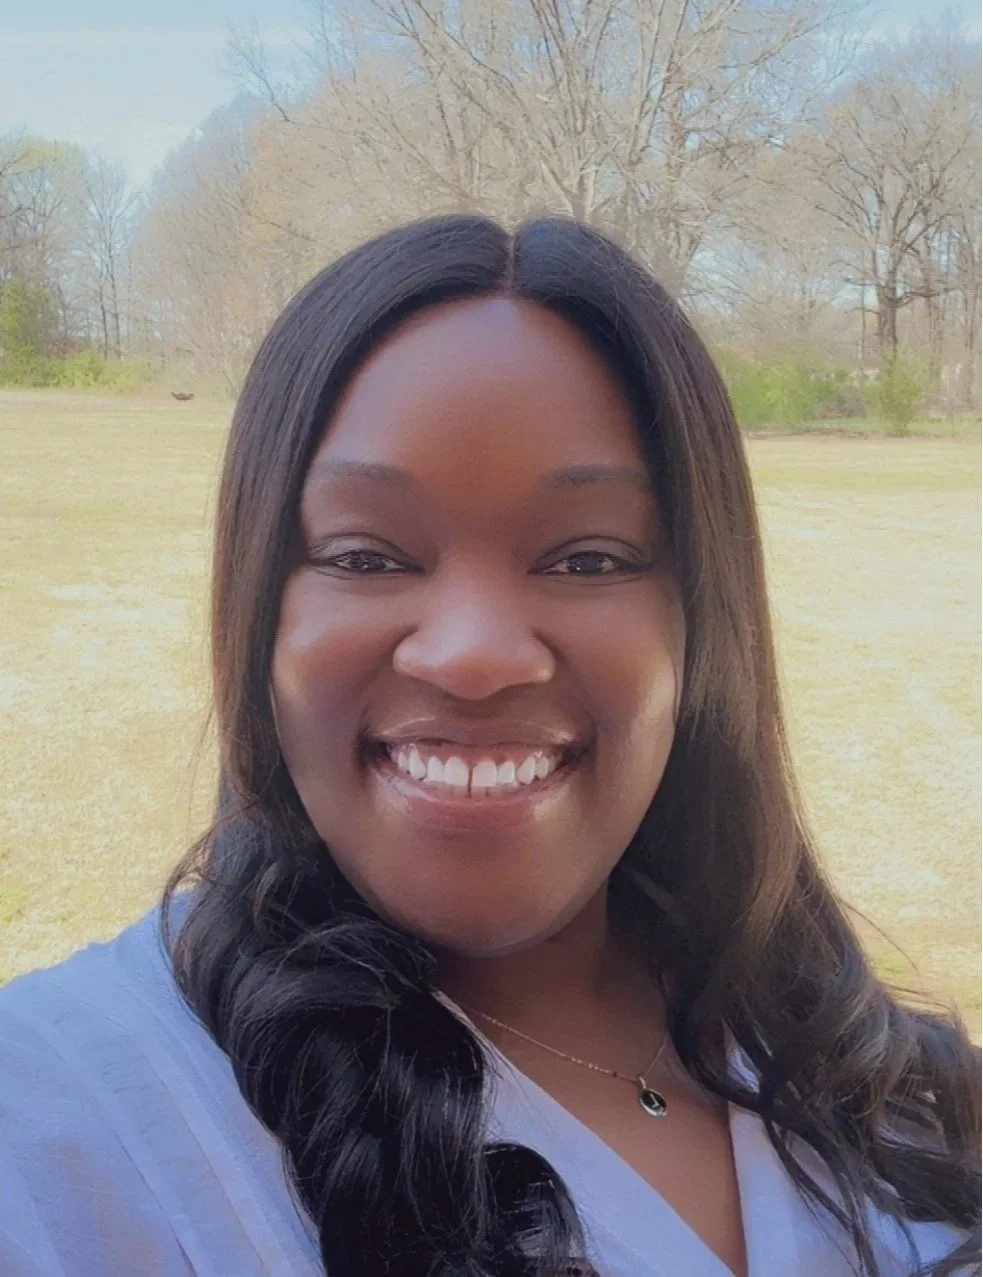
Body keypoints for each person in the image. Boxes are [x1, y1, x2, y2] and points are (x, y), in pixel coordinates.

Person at [0, 215, 978, 1277]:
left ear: (701, 621)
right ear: (257, 614)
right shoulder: (66, 1112)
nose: (472, 655)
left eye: (590, 558)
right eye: (366, 554)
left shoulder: (867, 1065)